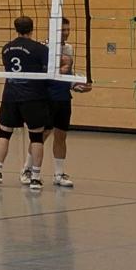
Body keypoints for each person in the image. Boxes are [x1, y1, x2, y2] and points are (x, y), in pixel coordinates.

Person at [0, 16, 52, 190]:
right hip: (33, 97)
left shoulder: (6, 48)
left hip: (10, 96)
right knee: (36, 136)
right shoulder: (40, 49)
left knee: (4, 133)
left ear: (16, 29)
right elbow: (47, 71)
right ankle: (35, 177)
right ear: (32, 28)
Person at [49, 17, 88, 188]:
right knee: (41, 135)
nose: (66, 32)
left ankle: (59, 174)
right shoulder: (45, 48)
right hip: (48, 97)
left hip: (64, 97)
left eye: (68, 29)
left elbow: (67, 75)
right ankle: (28, 169)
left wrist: (75, 85)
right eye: (63, 30)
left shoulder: (69, 48)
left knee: (61, 135)